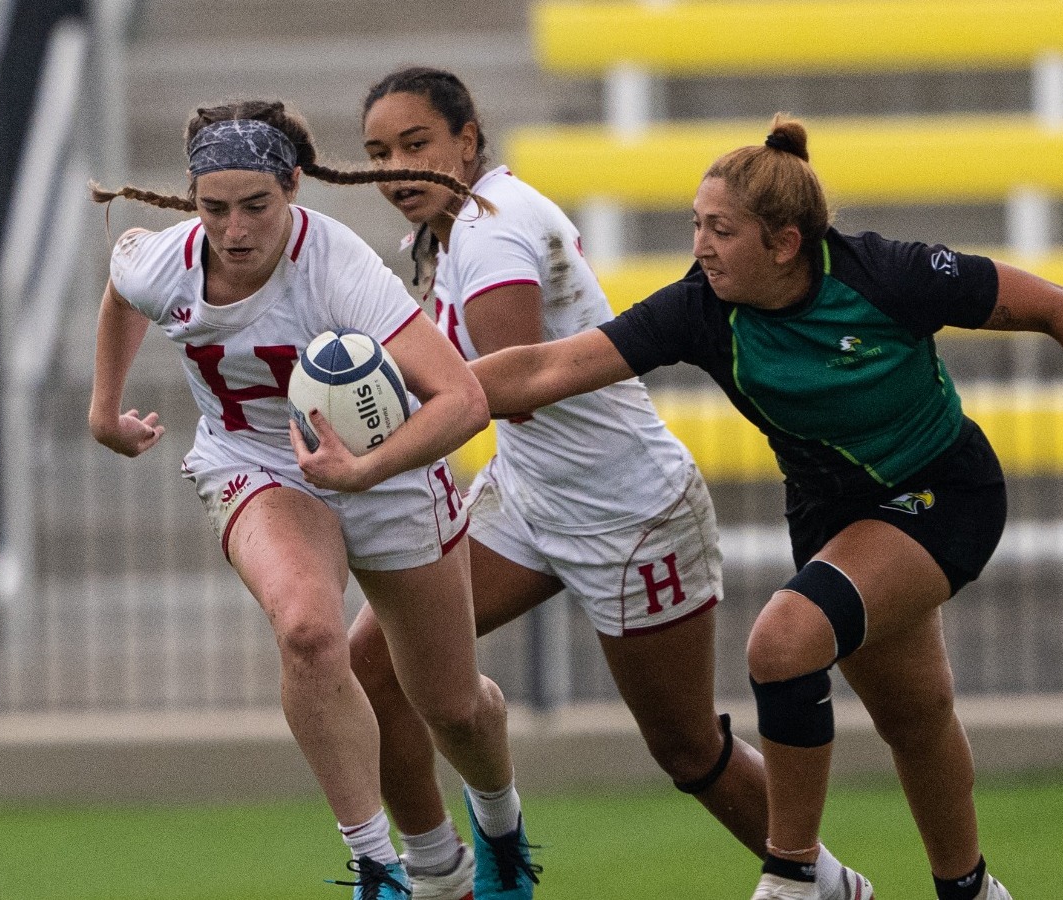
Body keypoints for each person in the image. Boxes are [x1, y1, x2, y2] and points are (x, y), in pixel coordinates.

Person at [467, 114, 1063, 900]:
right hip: (835, 519)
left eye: (721, 230)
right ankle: (971, 891)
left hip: (944, 494)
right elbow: (545, 370)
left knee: (783, 642)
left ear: (785, 242)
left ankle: (792, 876)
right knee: (915, 717)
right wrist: (425, 388)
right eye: (695, 225)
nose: (701, 247)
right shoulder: (699, 309)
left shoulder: (888, 275)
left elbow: (1057, 306)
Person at [349, 68, 869, 900]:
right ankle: (445, 869)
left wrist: (369, 429)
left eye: (416, 144)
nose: (397, 169)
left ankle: (829, 884)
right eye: (378, 154)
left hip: (628, 513)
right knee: (374, 659)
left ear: (467, 140)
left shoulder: (490, 230)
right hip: (529, 495)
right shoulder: (452, 229)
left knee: (687, 749)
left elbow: (505, 389)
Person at [86, 99, 536, 900]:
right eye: (214, 207)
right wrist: (103, 410)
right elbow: (123, 288)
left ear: (293, 186)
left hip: (387, 470)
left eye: (256, 206)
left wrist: (363, 471)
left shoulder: (337, 268)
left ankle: (500, 828)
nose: (234, 231)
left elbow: (464, 401)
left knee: (453, 707)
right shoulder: (168, 262)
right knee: (306, 632)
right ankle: (381, 869)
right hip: (257, 464)